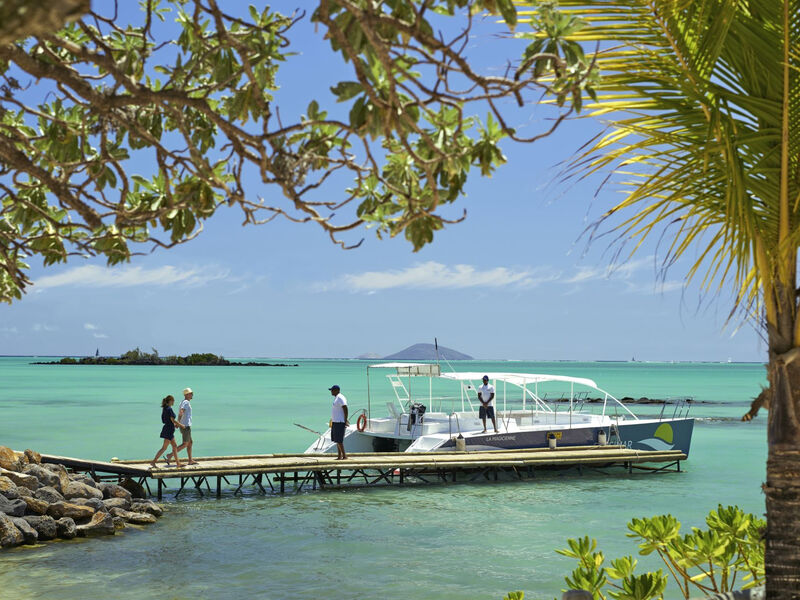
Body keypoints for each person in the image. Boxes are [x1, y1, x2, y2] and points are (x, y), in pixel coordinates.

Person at [149, 395, 184, 469]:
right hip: (169, 430)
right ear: (170, 401)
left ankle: (178, 463)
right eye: (173, 400)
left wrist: (173, 424)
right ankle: (154, 462)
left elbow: (165, 420)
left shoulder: (164, 409)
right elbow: (173, 420)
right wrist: (181, 425)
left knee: (171, 447)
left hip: (168, 429)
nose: (173, 402)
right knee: (167, 447)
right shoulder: (169, 409)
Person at [166, 387, 198, 465]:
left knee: (190, 443)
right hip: (185, 426)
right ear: (186, 395)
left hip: (185, 425)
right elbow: (181, 412)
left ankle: (190, 460)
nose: (192, 395)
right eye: (191, 394)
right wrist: (178, 423)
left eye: (192, 393)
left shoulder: (183, 402)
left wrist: (178, 423)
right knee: (185, 444)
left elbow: (181, 413)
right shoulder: (186, 402)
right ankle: (170, 455)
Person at [329, 385, 349, 460]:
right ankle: (339, 456)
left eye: (332, 390)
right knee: (337, 440)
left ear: (336, 390)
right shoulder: (337, 398)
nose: (331, 391)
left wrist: (345, 419)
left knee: (339, 440)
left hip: (339, 422)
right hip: (335, 421)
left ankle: (344, 456)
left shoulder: (340, 397)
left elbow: (345, 408)